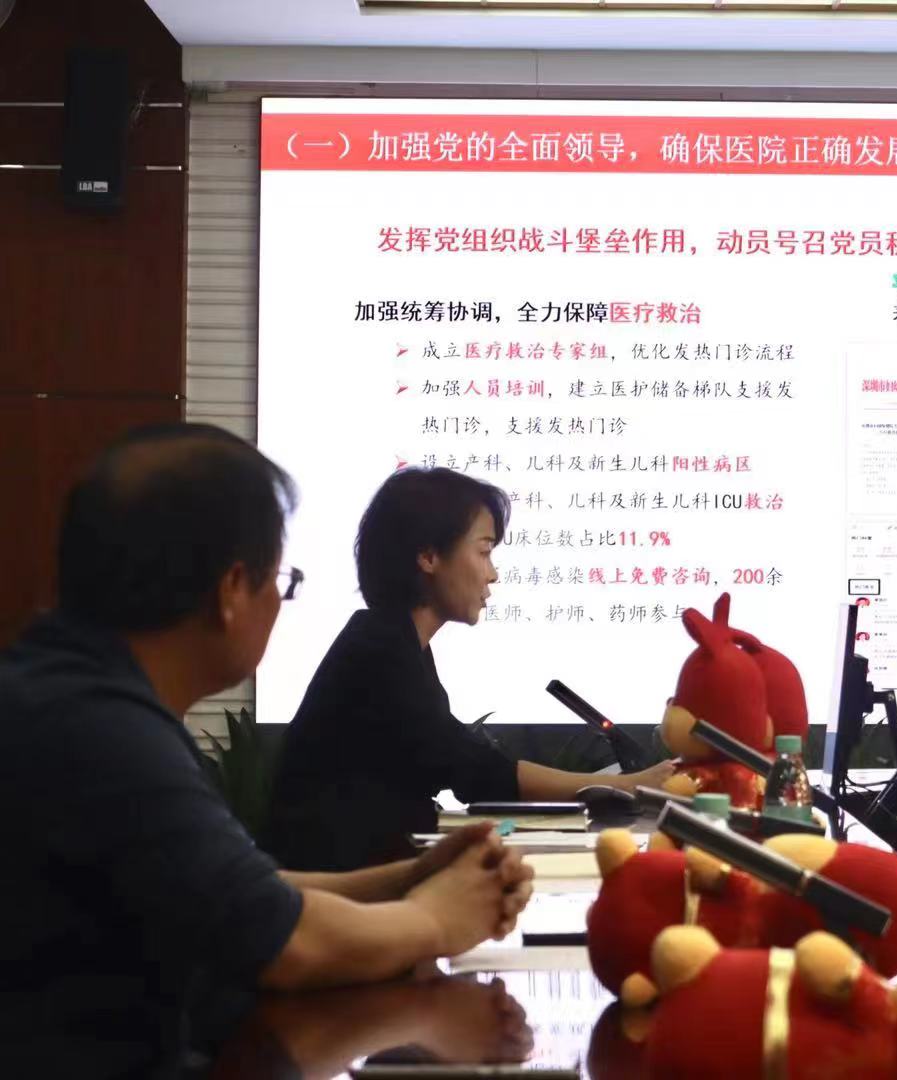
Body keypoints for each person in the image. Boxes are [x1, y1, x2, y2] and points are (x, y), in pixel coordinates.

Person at [1, 424, 534, 1080]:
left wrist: (409, 878)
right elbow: (289, 943)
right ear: (232, 589)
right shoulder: (103, 736)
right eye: (282, 580)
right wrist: (436, 922)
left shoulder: (73, 695)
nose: (280, 603)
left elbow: (247, 892)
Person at [267, 468, 677, 873]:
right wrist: (628, 785)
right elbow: (473, 770)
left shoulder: (398, 641)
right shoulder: (378, 646)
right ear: (428, 556)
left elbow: (457, 763)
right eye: (483, 552)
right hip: (336, 884)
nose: (492, 573)